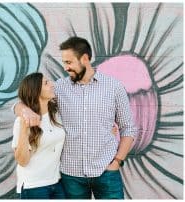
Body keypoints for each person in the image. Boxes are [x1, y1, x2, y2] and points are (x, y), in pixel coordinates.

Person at [14, 36, 137, 199]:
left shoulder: (114, 87)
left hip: (106, 172)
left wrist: (117, 161)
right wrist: (24, 111)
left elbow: (128, 128)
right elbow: (29, 98)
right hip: (71, 176)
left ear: (85, 59)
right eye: (64, 62)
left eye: (69, 62)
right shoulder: (59, 88)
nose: (65, 67)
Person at [11, 72, 66, 199]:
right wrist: (24, 129)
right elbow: (22, 161)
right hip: (34, 186)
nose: (52, 84)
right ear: (35, 91)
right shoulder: (22, 121)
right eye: (46, 83)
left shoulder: (55, 114)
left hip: (57, 183)